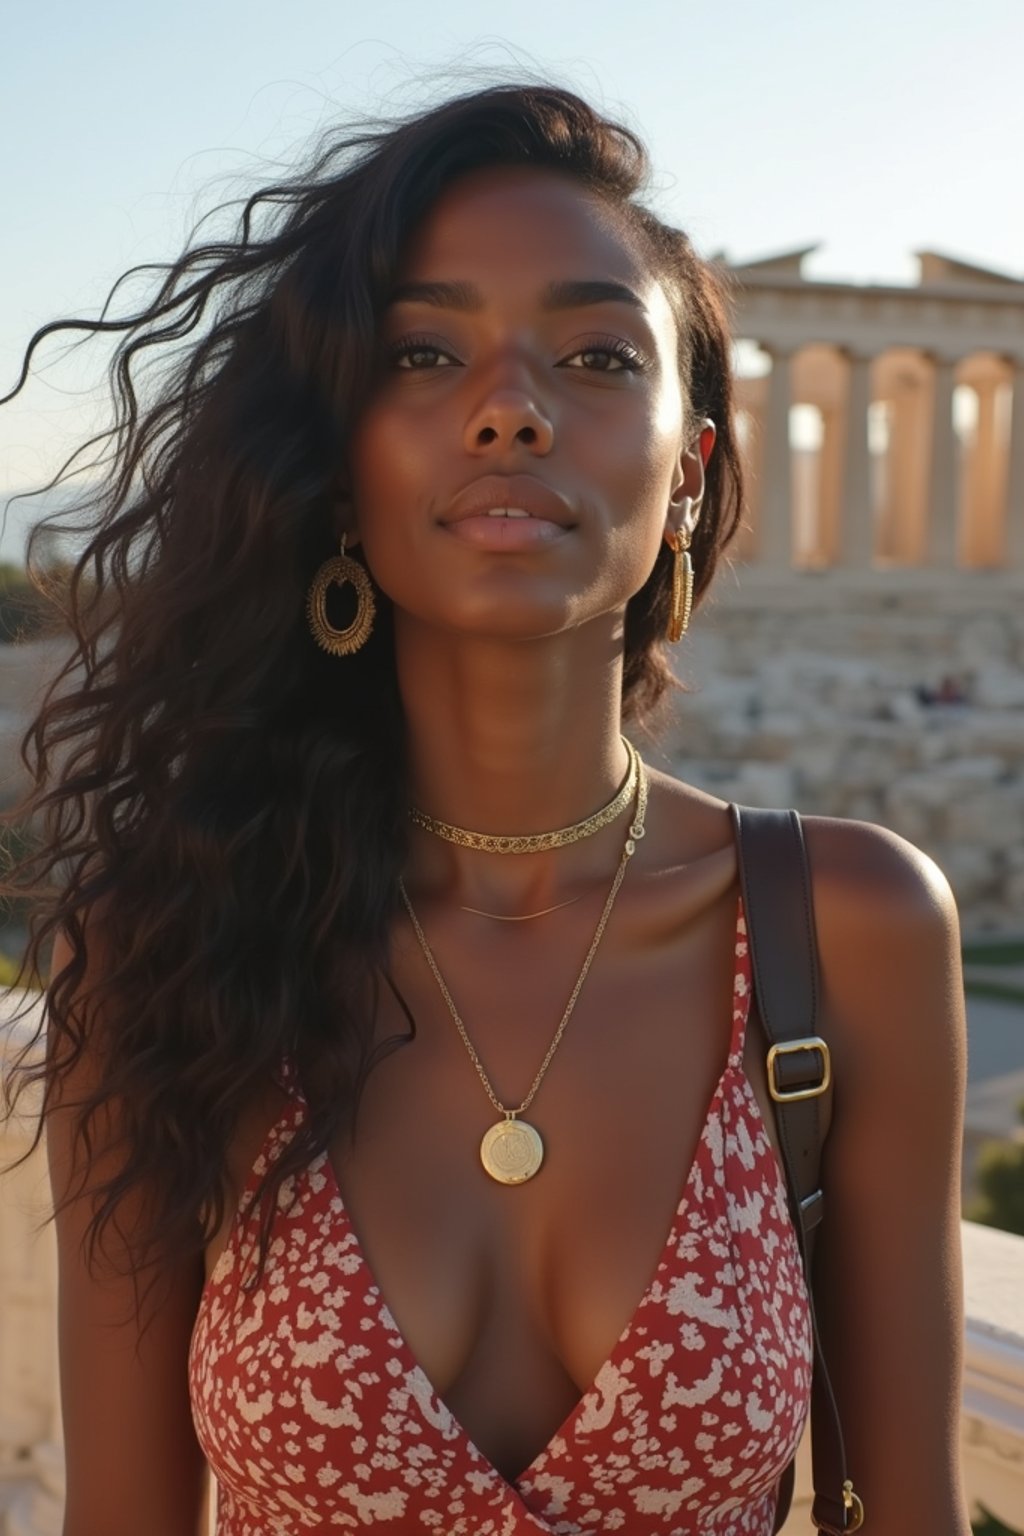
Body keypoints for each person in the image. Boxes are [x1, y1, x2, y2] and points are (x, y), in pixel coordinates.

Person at [1, 82, 971, 1535]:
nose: (511, 409)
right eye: (426, 352)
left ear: (689, 477)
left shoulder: (850, 931)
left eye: (592, 354)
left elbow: (909, 1514)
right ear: (339, 473)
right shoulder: (163, 947)